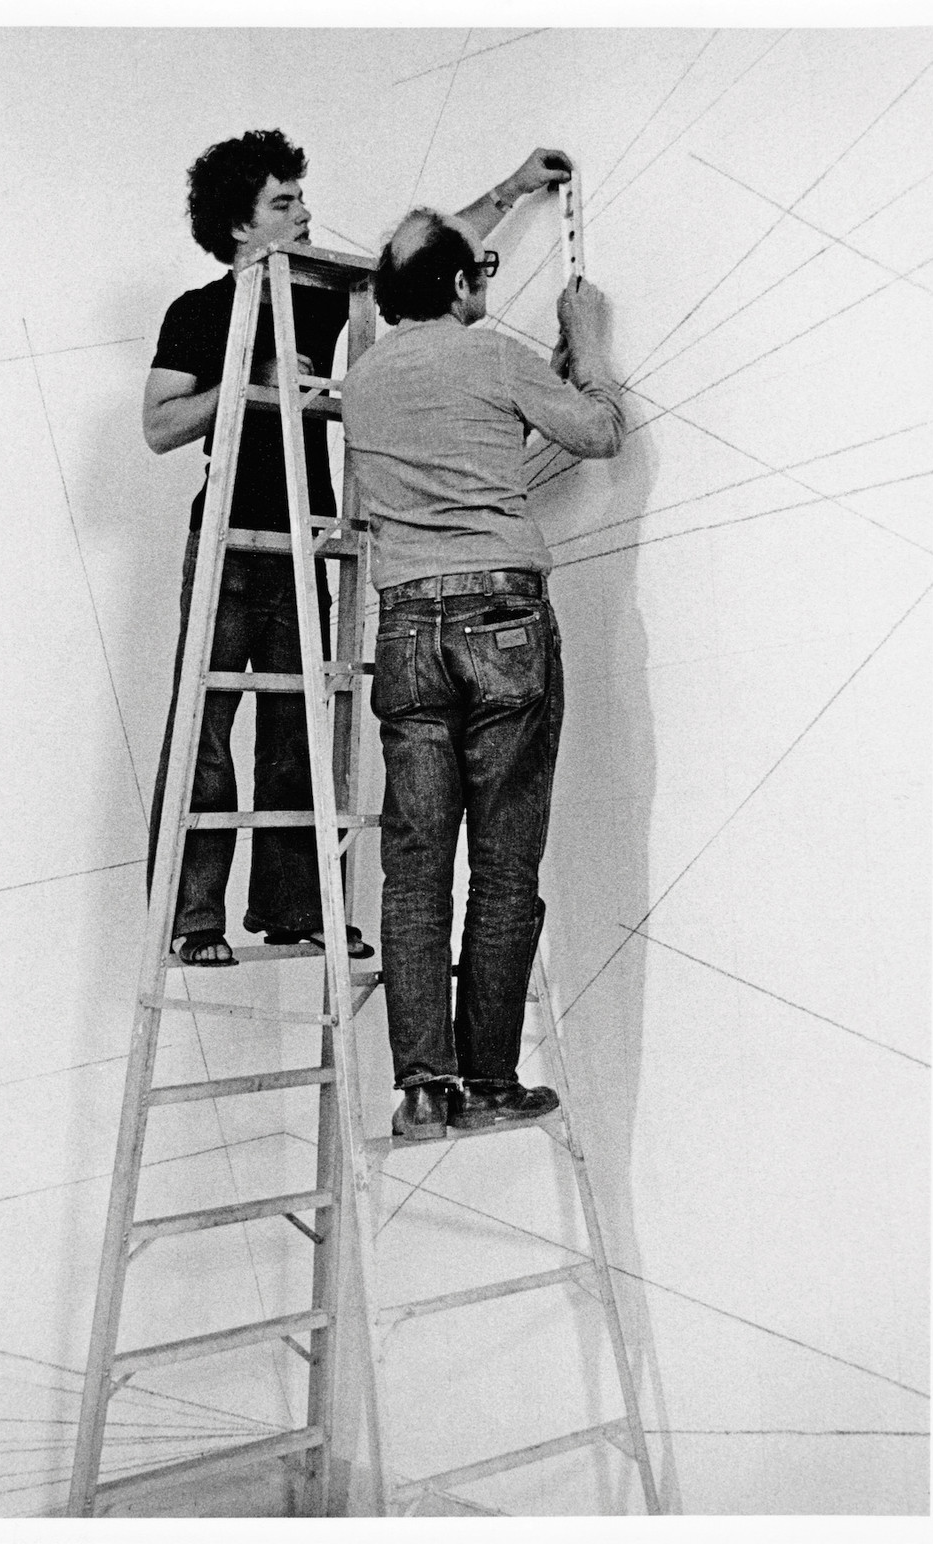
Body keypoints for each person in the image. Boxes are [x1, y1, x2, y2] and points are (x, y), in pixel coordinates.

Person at [144, 129, 575, 966]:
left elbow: (426, 259)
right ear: (240, 227)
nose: (304, 213)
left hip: (306, 542)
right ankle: (192, 916)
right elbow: (159, 424)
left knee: (297, 730)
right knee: (205, 731)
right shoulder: (198, 313)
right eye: (283, 203)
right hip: (229, 542)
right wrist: (251, 382)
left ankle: (292, 908)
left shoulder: (315, 295)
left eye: (300, 198)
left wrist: (514, 185)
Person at [341, 208, 625, 1139]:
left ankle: (423, 1089)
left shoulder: (364, 378)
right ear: (463, 288)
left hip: (408, 625)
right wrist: (588, 349)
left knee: (414, 865)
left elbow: (469, 428)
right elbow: (594, 432)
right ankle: (493, 1081)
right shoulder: (494, 356)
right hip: (500, 617)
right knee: (504, 864)